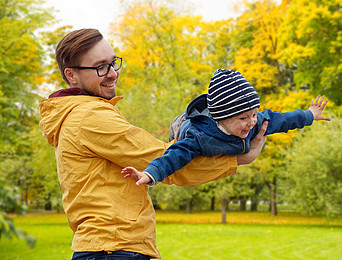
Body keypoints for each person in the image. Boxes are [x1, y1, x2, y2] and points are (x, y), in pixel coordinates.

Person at [38, 29, 267, 260]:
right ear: (71, 75)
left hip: (111, 247)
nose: (113, 73)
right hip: (113, 249)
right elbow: (162, 160)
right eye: (100, 67)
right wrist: (237, 158)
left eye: (114, 63)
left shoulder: (79, 115)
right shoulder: (90, 117)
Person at [122, 69, 331, 186]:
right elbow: (174, 155)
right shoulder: (199, 137)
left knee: (266, 119)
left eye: (253, 114)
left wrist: (310, 114)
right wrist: (151, 174)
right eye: (243, 118)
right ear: (222, 119)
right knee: (181, 141)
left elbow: (284, 119)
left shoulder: (256, 122)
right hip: (185, 127)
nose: (251, 122)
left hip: (219, 130)